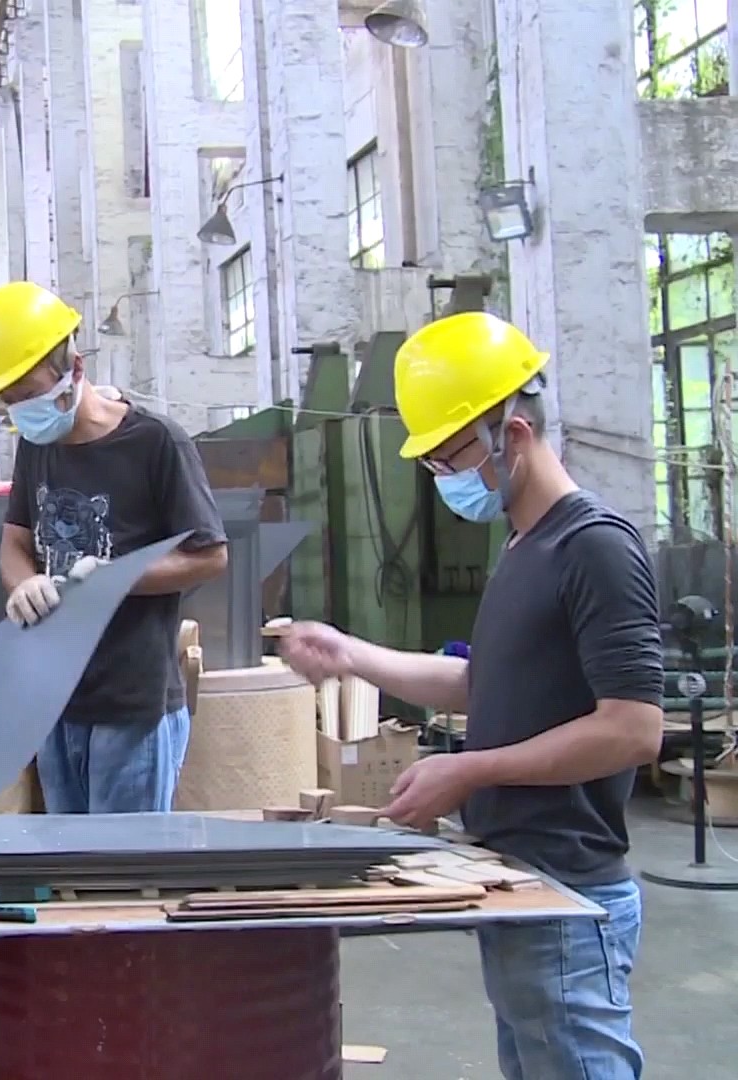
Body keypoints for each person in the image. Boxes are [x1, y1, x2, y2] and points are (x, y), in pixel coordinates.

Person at [275, 312, 660, 1080]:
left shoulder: (594, 548)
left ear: (512, 434)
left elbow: (632, 730)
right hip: (516, 878)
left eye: (452, 457)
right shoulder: (524, 545)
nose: (443, 478)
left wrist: (470, 770)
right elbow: (482, 683)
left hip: (567, 890)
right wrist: (352, 654)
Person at [0, 281, 227, 814]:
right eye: (9, 400)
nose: (22, 409)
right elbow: (15, 541)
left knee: (123, 858)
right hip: (54, 700)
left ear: (74, 368)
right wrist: (24, 584)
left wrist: (117, 576)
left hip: (131, 703)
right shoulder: (36, 446)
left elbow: (209, 555)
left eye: (29, 393)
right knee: (68, 856)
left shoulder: (156, 442)